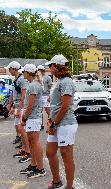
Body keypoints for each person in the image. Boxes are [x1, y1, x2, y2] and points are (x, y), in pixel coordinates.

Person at [45, 55, 78, 189]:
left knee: (65, 154)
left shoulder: (66, 82)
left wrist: (54, 123)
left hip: (66, 123)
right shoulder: (58, 82)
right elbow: (55, 105)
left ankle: (69, 186)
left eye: (50, 66)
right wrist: (51, 120)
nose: (49, 68)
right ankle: (56, 180)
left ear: (57, 66)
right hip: (56, 122)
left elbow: (65, 107)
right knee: (50, 152)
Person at [20, 64, 46, 178]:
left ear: (28, 73)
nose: (22, 74)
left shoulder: (33, 86)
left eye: (23, 72)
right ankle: (34, 165)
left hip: (33, 117)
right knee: (31, 142)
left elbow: (30, 105)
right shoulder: (33, 84)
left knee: (35, 142)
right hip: (33, 117)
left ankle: (40, 168)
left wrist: (24, 117)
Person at [5, 61, 31, 162]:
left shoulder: (21, 80)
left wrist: (20, 109)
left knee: (22, 129)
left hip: (22, 107)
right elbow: (13, 93)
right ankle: (24, 148)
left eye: (10, 69)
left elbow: (24, 95)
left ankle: (27, 150)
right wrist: (10, 104)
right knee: (18, 128)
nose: (9, 71)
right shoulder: (15, 79)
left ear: (14, 69)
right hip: (17, 105)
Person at [37, 65, 52, 130]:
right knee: (39, 111)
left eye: (40, 70)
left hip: (46, 96)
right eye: (38, 70)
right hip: (39, 96)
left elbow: (50, 88)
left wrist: (50, 96)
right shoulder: (36, 78)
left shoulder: (48, 77)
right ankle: (40, 125)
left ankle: (50, 124)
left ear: (43, 70)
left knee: (48, 111)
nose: (39, 71)